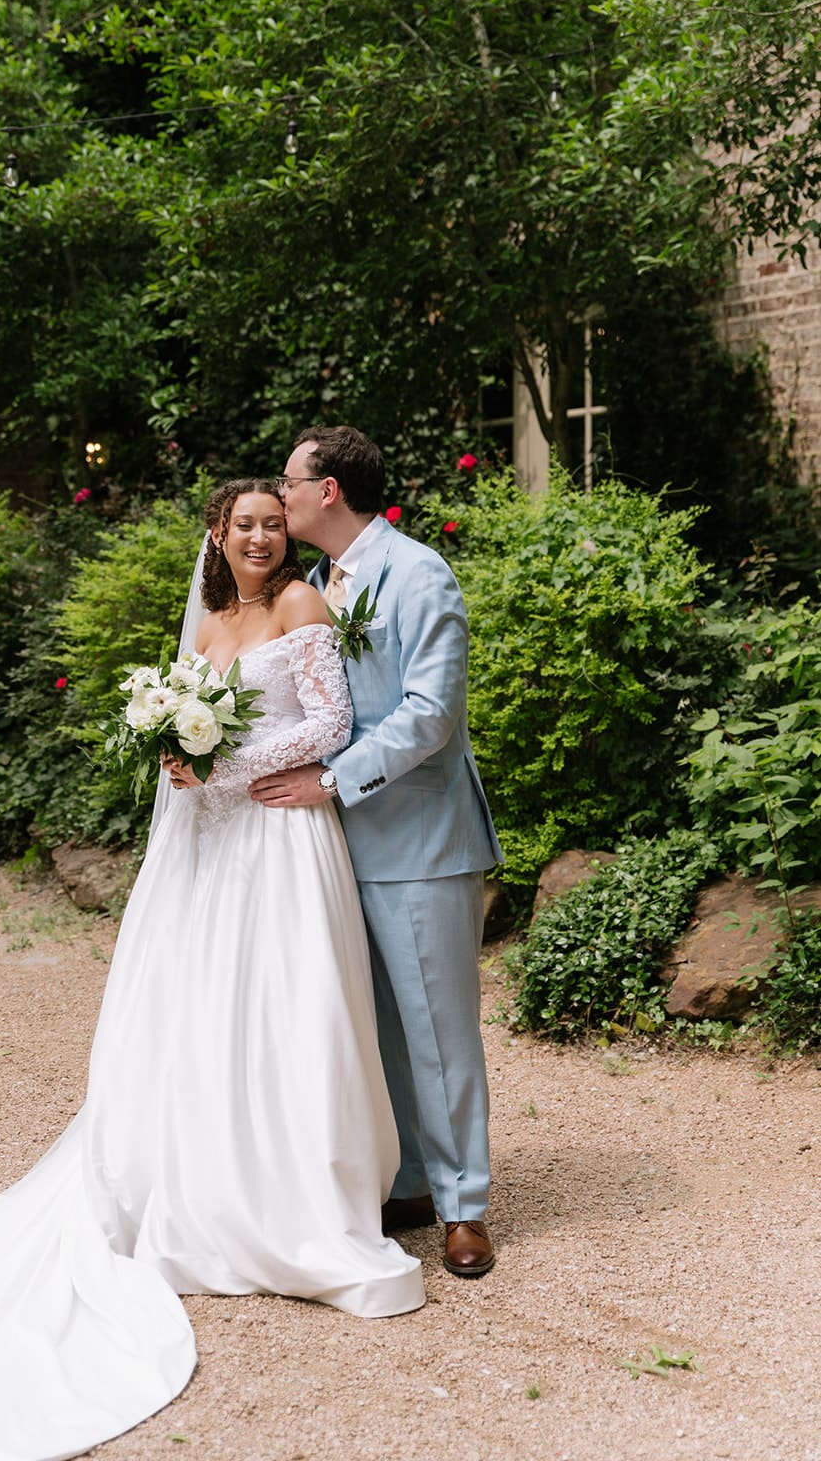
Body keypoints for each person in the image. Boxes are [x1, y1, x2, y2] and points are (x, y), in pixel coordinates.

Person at [0, 479, 422, 1461]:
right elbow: (183, 728)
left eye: (272, 524)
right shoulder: (211, 624)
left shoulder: (300, 605)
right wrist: (178, 760)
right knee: (195, 1011)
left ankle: (294, 1187)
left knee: (290, 1007)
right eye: (243, 524)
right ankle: (197, 1175)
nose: (260, 537)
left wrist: (226, 765)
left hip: (282, 839)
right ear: (217, 535)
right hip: (208, 849)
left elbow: (328, 723)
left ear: (289, 534)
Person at [249, 428, 504, 1279]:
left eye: (288, 481)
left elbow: (432, 714)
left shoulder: (420, 572)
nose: (278, 496)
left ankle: (464, 1207)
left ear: (328, 492)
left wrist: (331, 778)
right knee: (376, 1026)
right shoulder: (316, 583)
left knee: (438, 1029)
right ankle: (406, 1181)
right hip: (333, 848)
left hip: (421, 840)